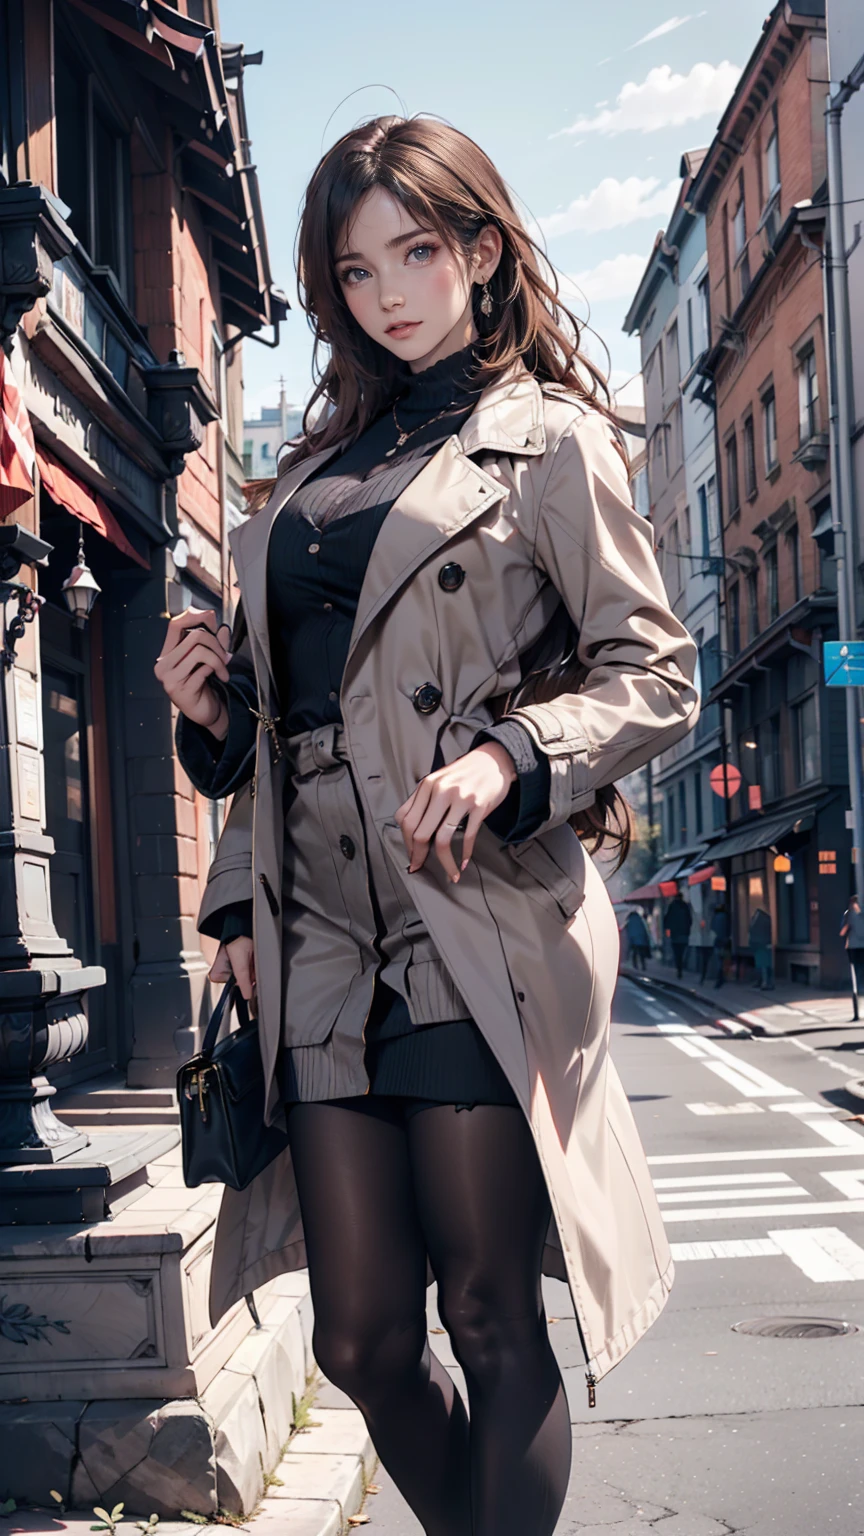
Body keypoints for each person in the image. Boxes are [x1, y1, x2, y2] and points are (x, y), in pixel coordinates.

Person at [154, 116, 700, 1536]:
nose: (389, 291)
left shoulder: (550, 442)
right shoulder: (311, 473)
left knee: (485, 1307)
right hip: (318, 924)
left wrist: (520, 752)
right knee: (360, 1339)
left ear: (478, 249)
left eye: (417, 250)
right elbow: (280, 725)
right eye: (355, 268)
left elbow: (654, 671)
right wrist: (216, 776)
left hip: (475, 898)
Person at [840, 894, 864, 1021]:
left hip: (853, 948)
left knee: (856, 978)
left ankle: (857, 1013)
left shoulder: (848, 914)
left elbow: (842, 932)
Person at [664, 889, 693, 979]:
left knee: (677, 953)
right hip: (684, 934)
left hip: (675, 935)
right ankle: (681, 967)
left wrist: (668, 929)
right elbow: (689, 920)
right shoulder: (685, 906)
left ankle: (679, 969)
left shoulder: (672, 906)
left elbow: (667, 919)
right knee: (682, 952)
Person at [748, 906, 774, 990]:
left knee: (763, 965)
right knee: (762, 965)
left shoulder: (762, 920)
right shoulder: (763, 920)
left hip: (761, 945)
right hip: (762, 945)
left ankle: (765, 983)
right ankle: (763, 982)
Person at [625, 907, 652, 971]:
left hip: (634, 940)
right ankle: (643, 966)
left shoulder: (629, 921)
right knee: (641, 953)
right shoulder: (640, 920)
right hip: (641, 939)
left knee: (634, 953)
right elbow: (644, 930)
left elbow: (629, 931)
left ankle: (635, 966)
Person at [711, 899, 729, 989]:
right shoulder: (725, 917)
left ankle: (720, 978)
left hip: (717, 941)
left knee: (719, 960)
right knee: (723, 960)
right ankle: (722, 977)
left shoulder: (715, 917)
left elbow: (712, 929)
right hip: (724, 941)